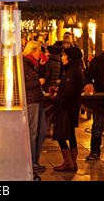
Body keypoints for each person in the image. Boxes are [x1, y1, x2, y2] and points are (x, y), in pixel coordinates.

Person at [84, 37, 104, 161]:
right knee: (97, 125)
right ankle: (94, 151)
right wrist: (89, 83)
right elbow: (87, 75)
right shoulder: (97, 61)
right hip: (100, 98)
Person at [53, 47, 85, 171]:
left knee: (60, 135)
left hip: (66, 108)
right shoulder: (74, 70)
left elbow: (69, 92)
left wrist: (61, 102)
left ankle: (68, 161)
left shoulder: (72, 72)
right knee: (70, 134)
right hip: (71, 107)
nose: (62, 58)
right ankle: (72, 161)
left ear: (70, 57)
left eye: (64, 55)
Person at [23, 41, 48, 172]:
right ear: (32, 51)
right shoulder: (25, 63)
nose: (41, 53)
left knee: (42, 130)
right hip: (31, 100)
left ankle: (35, 160)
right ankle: (32, 162)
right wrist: (37, 82)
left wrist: (42, 68)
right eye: (39, 50)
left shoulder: (34, 64)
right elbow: (23, 85)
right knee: (33, 132)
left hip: (38, 99)